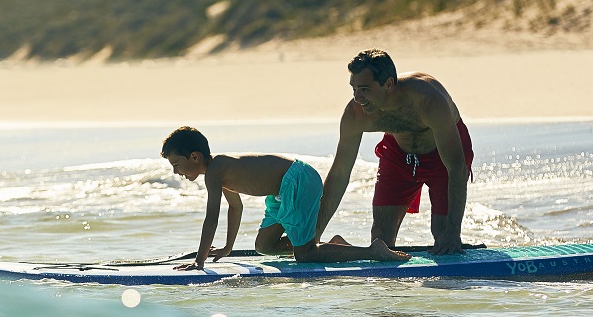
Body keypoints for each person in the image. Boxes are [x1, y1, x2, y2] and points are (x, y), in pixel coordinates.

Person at [160, 126, 410, 271]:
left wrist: (199, 261)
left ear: (194, 157)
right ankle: (333, 246)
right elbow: (234, 208)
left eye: (176, 165)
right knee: (264, 247)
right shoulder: (217, 170)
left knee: (305, 255)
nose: (176, 172)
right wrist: (227, 248)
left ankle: (371, 251)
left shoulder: (215, 171)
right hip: (281, 191)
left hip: (298, 180)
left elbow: (211, 218)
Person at [320, 49, 475, 255]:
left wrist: (453, 232)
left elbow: (456, 167)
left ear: (389, 84)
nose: (357, 98)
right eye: (354, 89)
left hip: (442, 155)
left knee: (443, 235)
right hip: (399, 154)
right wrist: (312, 236)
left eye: (364, 89)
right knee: (380, 240)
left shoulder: (428, 101)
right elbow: (339, 174)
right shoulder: (355, 115)